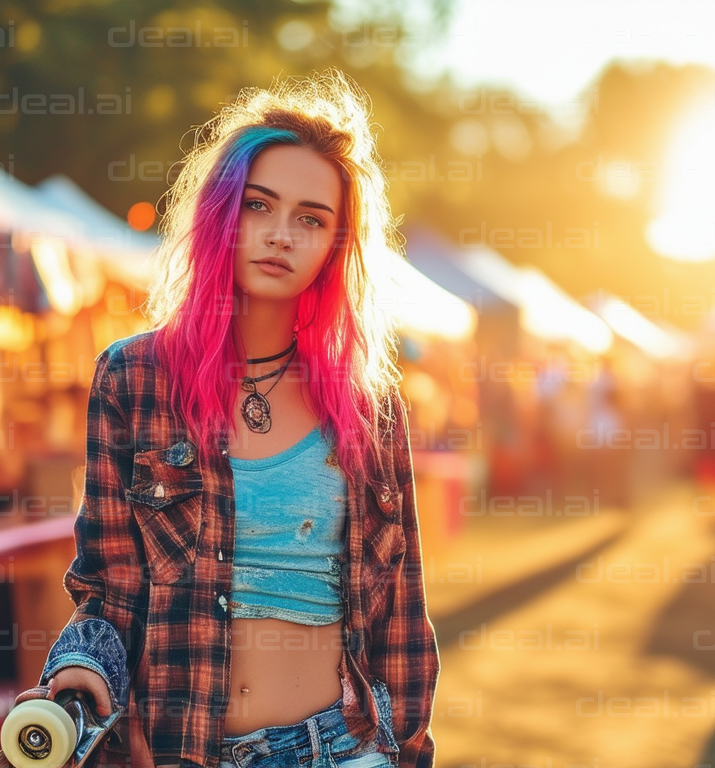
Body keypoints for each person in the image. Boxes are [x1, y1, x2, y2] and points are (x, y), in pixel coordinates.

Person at [37, 71, 439, 768]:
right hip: (185, 750)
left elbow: (402, 613)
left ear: (336, 245)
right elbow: (106, 585)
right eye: (260, 206)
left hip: (341, 749)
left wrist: (407, 753)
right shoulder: (134, 379)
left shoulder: (371, 407)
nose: (281, 235)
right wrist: (82, 666)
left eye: (311, 219)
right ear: (222, 212)